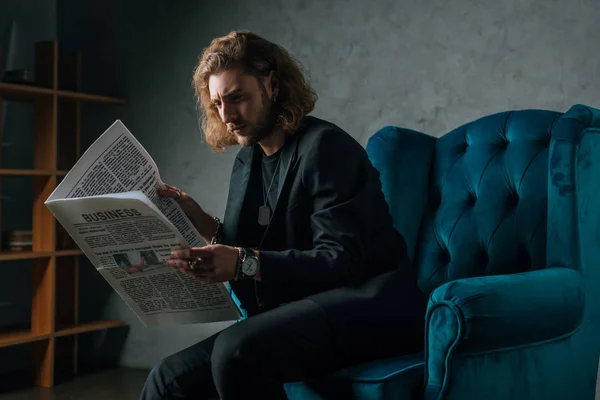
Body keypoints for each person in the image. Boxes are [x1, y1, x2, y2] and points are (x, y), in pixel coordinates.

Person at [141, 30, 426, 400]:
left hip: (370, 306)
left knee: (237, 350)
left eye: (237, 98)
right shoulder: (248, 160)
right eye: (217, 104)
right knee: (168, 378)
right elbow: (245, 247)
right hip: (299, 309)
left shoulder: (326, 147)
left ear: (271, 84)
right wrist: (196, 219)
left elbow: (339, 259)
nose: (227, 116)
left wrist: (242, 262)